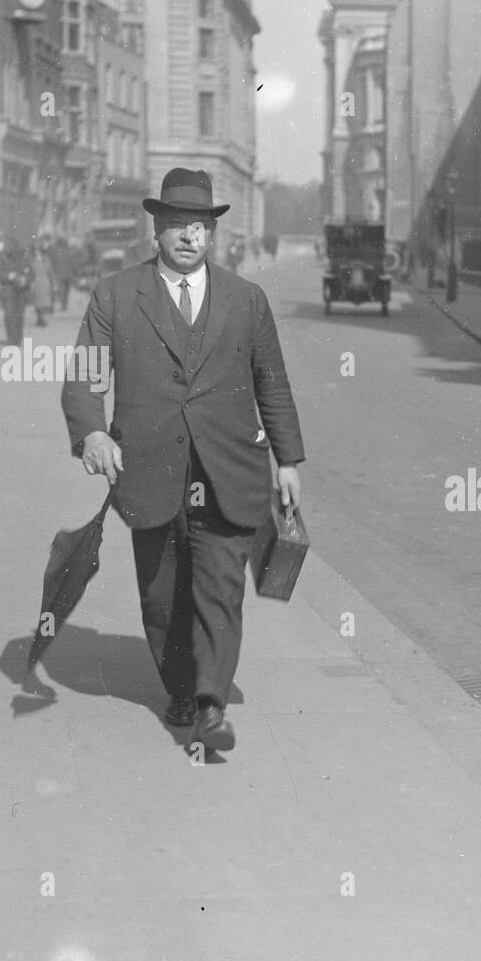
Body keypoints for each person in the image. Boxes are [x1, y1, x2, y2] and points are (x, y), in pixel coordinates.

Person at [61, 167, 305, 755]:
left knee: (221, 586)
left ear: (213, 235)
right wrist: (92, 434)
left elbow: (272, 383)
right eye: (177, 225)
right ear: (156, 230)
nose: (189, 237)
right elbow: (85, 378)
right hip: (148, 467)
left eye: (200, 226)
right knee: (162, 591)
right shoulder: (117, 295)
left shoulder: (248, 300)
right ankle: (179, 686)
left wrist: (289, 460)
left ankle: (211, 700)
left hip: (229, 469)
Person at [0, 240, 32, 347]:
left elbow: (32, 273)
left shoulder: (24, 261)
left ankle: (17, 339)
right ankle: (11, 339)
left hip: (21, 292)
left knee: (19, 316)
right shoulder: (4, 261)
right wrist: (9, 276)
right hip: (8, 292)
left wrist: (25, 279)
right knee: (9, 316)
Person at [29, 240, 56, 327]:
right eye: (35, 250)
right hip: (36, 281)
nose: (37, 252)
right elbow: (30, 272)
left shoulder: (46, 259)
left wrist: (54, 282)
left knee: (44, 301)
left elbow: (51, 271)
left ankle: (42, 318)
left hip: (45, 281)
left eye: (38, 250)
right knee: (37, 301)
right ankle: (39, 318)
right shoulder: (32, 260)